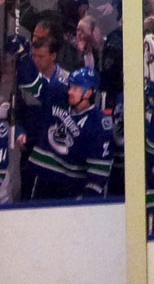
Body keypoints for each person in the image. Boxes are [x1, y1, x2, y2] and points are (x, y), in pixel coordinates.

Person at [11, 55, 112, 200]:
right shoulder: (58, 94)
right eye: (70, 86)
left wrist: (83, 204)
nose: (70, 91)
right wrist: (25, 57)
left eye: (76, 88)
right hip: (39, 179)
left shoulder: (98, 125)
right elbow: (32, 84)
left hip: (69, 189)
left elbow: (98, 178)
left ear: (88, 92)